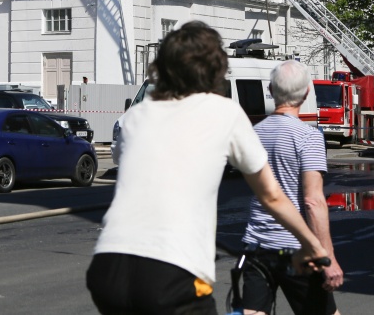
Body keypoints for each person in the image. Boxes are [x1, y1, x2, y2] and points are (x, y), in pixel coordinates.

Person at [86, 22, 329, 315]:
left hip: (108, 267)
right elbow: (272, 196)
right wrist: (312, 244)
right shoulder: (223, 111)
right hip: (171, 271)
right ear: (216, 68)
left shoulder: (136, 115)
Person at [240, 60, 343, 315]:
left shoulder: (254, 134)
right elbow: (313, 201)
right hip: (297, 248)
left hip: (257, 244)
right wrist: (326, 257)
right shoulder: (308, 137)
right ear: (307, 92)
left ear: (271, 91)